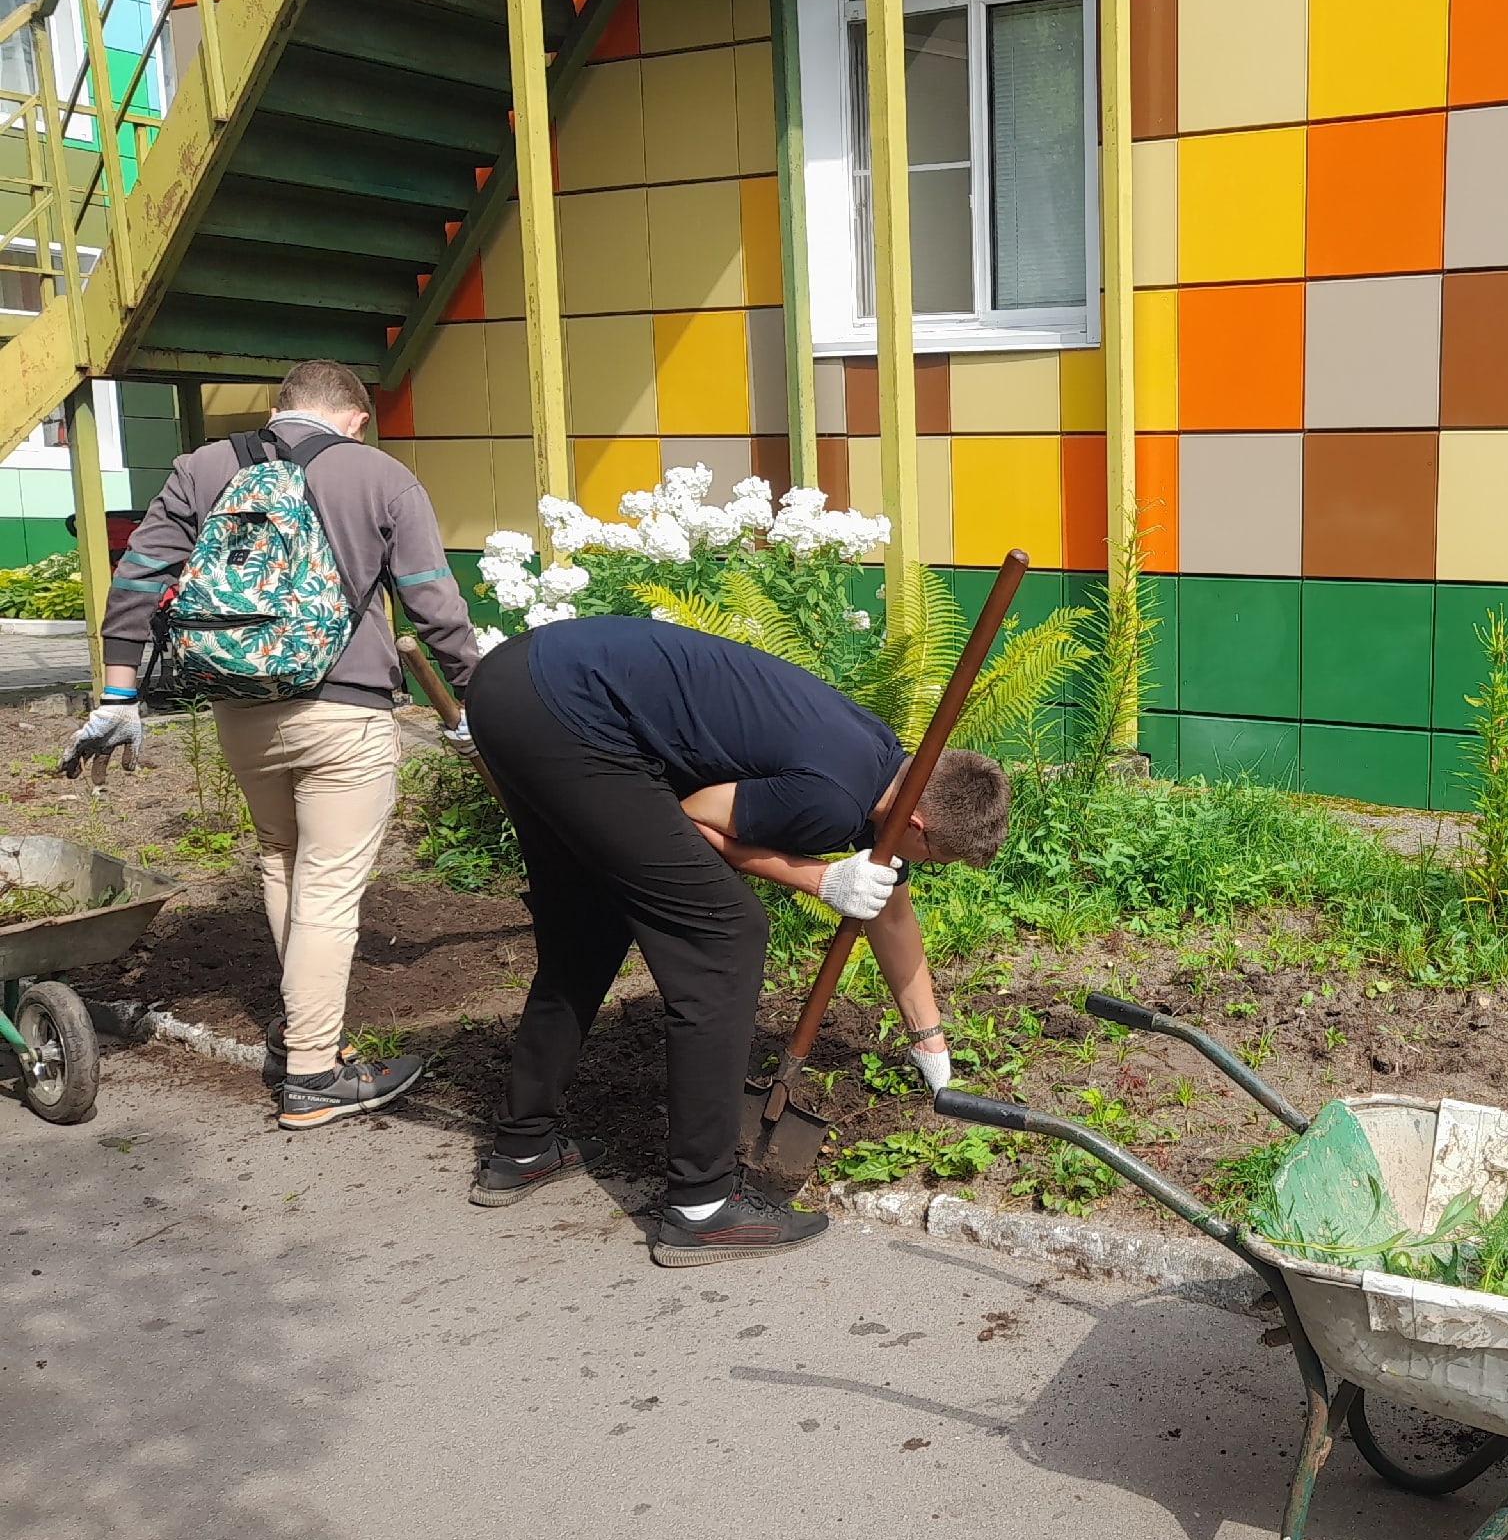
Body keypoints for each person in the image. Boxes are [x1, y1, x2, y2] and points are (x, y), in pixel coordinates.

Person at [460, 613, 1008, 1267]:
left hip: (519, 683)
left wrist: (929, 1040)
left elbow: (890, 908)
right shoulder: (832, 797)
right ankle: (701, 1207)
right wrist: (819, 878)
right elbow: (692, 816)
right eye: (936, 856)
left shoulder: (883, 759)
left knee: (590, 919)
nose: (922, 865)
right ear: (917, 825)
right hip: (574, 715)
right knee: (727, 935)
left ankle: (523, 1146)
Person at [70, 358, 480, 1127]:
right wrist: (476, 695)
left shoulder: (203, 466)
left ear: (281, 408)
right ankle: (315, 1075)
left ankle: (302, 1025)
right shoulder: (380, 474)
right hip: (346, 709)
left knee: (282, 859)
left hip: (241, 707)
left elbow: (136, 578)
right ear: (354, 416)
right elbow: (434, 603)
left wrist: (120, 691)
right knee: (329, 884)